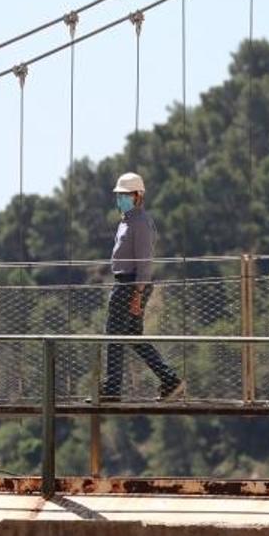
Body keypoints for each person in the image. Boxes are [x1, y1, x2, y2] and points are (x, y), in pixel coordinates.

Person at [102, 172, 185, 401]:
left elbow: (144, 263)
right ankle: (170, 380)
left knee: (113, 336)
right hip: (128, 283)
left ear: (138, 196)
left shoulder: (140, 223)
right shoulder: (127, 221)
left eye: (125, 195)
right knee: (132, 336)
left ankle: (111, 391)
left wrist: (137, 295)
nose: (120, 199)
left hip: (131, 284)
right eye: (119, 195)